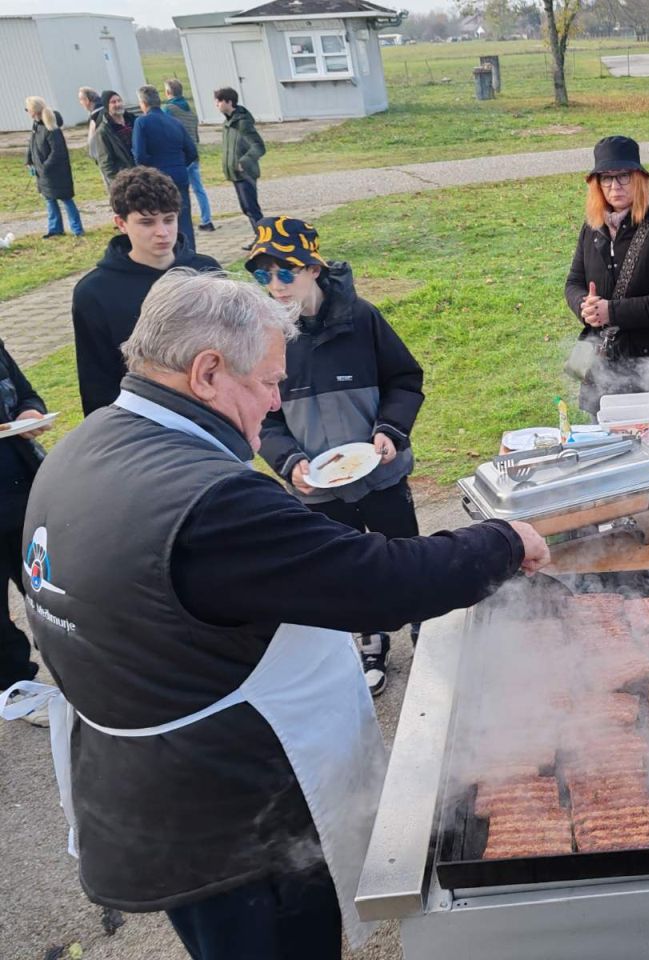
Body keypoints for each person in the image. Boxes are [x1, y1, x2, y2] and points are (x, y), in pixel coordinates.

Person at [6, 268, 549, 959]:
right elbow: (376, 583)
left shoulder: (90, 442)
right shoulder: (205, 501)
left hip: (147, 799)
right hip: (232, 825)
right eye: (267, 382)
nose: (275, 403)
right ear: (206, 372)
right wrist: (504, 540)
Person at [250, 216, 425, 696]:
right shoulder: (265, 337)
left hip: (380, 473)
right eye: (262, 275)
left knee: (401, 552)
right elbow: (263, 418)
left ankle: (423, 625)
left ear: (313, 269)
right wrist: (288, 462)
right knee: (347, 568)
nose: (275, 286)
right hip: (319, 488)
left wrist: (391, 430)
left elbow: (404, 379)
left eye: (285, 273)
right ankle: (370, 639)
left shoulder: (361, 318)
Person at [72, 166, 220, 416]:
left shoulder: (207, 270)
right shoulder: (94, 292)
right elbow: (96, 380)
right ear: (121, 223)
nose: (162, 232)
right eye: (147, 222)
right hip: (145, 421)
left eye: (169, 219)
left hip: (213, 410)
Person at [565, 135, 649, 416]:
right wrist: (584, 307)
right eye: (606, 178)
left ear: (639, 178)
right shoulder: (592, 229)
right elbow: (574, 283)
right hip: (602, 367)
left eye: (623, 176)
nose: (615, 186)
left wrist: (613, 311)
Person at [0, 345, 52, 707]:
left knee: (51, 590)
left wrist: (30, 412)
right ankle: (17, 689)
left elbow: (26, 393)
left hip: (25, 490)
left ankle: (78, 669)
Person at [133, 84, 199, 251]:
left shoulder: (142, 122)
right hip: (179, 174)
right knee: (183, 219)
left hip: (158, 178)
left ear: (143, 103)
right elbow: (191, 151)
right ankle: (189, 252)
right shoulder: (175, 122)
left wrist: (151, 168)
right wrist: (179, 164)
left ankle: (170, 253)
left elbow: (140, 155)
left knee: (162, 219)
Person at [214, 87, 266, 251]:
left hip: (246, 173)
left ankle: (264, 239)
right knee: (246, 208)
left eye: (219, 101)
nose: (217, 105)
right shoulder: (227, 123)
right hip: (235, 174)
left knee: (252, 208)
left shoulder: (242, 123)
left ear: (229, 102)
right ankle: (260, 237)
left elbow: (259, 147)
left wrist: (244, 161)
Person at [24, 97, 84, 240]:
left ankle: (77, 229)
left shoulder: (51, 128)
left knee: (66, 200)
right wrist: (29, 160)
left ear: (34, 111)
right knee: (49, 200)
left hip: (55, 173)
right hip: (43, 172)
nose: (27, 112)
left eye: (28, 109)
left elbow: (58, 151)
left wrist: (45, 167)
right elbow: (31, 144)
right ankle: (55, 229)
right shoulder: (36, 126)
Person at [162, 79, 215, 233]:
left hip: (179, 156)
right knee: (199, 189)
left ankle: (181, 223)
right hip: (193, 155)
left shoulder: (169, 109)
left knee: (179, 191)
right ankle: (207, 219)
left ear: (168, 93)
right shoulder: (190, 110)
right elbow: (196, 136)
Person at [90, 90, 136, 186]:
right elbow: (105, 163)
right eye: (113, 102)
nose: (118, 104)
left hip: (143, 173)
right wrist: (118, 183)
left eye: (119, 101)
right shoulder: (103, 132)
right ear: (107, 106)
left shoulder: (134, 121)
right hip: (125, 179)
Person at [77, 86, 110, 191]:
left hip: (106, 160)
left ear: (87, 100)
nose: (80, 103)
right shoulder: (101, 112)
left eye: (81, 99)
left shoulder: (98, 116)